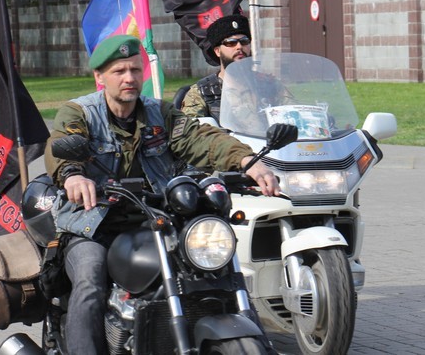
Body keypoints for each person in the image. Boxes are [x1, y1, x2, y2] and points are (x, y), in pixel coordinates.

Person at [44, 34, 280, 355]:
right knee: (90, 279)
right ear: (100, 77)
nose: (129, 78)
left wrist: (247, 161)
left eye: (135, 70)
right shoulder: (80, 114)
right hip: (93, 224)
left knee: (212, 266)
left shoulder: (161, 114)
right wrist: (73, 175)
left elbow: (202, 138)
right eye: (119, 71)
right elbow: (62, 145)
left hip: (154, 220)